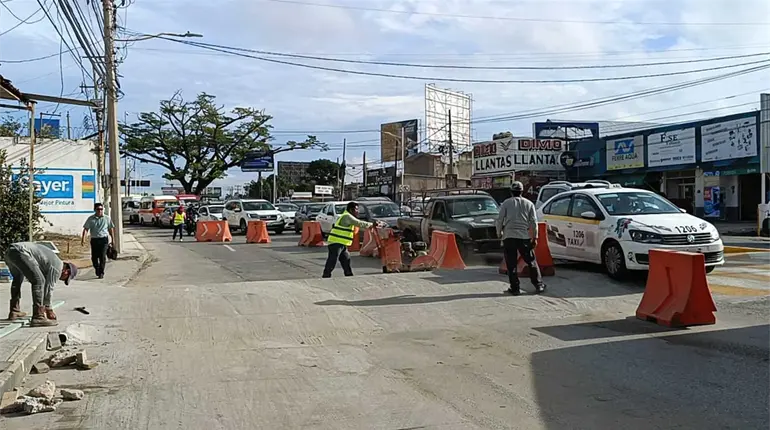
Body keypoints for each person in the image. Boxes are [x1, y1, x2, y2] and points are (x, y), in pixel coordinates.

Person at [4, 242, 78, 326]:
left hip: (10, 252)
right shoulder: (58, 267)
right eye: (65, 278)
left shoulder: (50, 263)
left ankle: (14, 311)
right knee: (39, 281)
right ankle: (38, 316)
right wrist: (49, 309)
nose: (61, 279)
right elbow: (49, 288)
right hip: (21, 252)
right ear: (66, 271)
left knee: (17, 279)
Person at [496, 181, 546, 295]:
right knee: (531, 261)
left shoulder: (506, 203)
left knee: (511, 264)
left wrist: (499, 234)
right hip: (524, 237)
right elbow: (534, 222)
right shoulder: (529, 204)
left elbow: (499, 220)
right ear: (522, 191)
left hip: (509, 237)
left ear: (511, 192)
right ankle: (539, 285)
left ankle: (515, 288)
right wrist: (535, 237)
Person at [323, 202, 380, 278]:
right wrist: (372, 224)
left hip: (342, 243)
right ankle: (326, 275)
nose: (358, 211)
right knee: (332, 260)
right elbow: (358, 223)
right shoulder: (347, 216)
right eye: (356, 209)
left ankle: (349, 275)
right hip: (336, 242)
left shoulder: (347, 216)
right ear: (351, 209)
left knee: (346, 260)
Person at [81, 202, 115, 279]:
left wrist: (113, 239)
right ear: (95, 210)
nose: (100, 211)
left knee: (102, 256)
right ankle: (97, 268)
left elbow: (111, 229)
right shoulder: (91, 219)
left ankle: (101, 272)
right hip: (94, 240)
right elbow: (86, 229)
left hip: (104, 240)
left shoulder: (107, 218)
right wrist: (83, 239)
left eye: (101, 209)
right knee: (94, 257)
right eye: (98, 209)